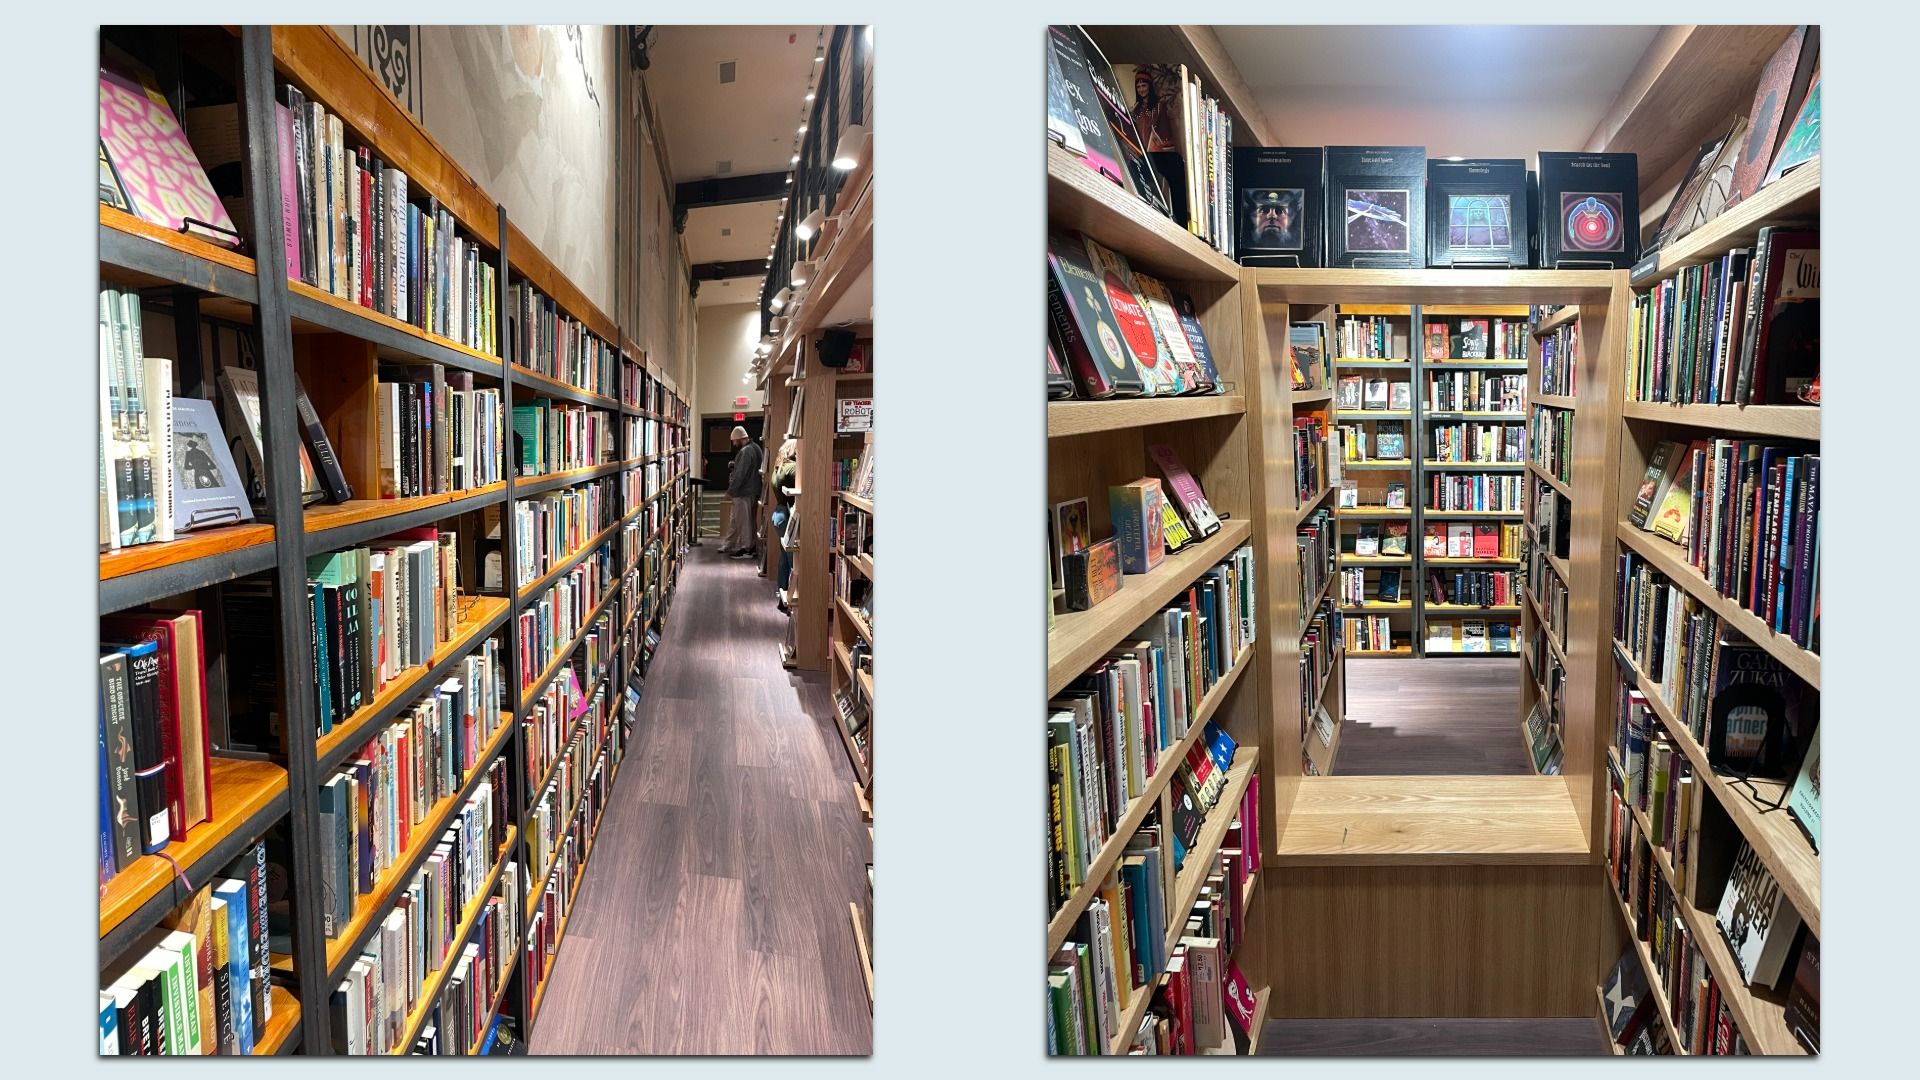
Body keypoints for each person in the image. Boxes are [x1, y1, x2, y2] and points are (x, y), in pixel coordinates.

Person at [721, 425, 763, 559]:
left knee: (743, 521)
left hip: (742, 492)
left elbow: (740, 474)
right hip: (753, 490)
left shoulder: (745, 451)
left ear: (740, 438)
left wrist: (730, 491)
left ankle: (746, 548)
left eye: (735, 441)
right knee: (739, 520)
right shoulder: (756, 447)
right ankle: (730, 544)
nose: (734, 444)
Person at [769, 438, 799, 608]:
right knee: (792, 560)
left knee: (784, 558)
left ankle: (781, 592)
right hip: (787, 516)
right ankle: (787, 598)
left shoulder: (779, 466)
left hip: (779, 514)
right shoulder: (793, 468)